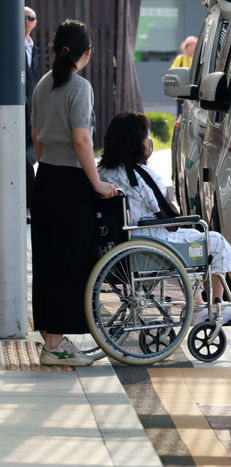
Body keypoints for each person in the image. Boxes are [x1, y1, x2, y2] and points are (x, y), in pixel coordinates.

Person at [31, 20, 118, 366]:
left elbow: (36, 137)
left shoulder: (41, 84)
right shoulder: (79, 87)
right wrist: (96, 182)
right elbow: (82, 139)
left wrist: (48, 163)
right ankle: (56, 345)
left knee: (47, 260)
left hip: (46, 179)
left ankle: (51, 339)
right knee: (70, 261)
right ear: (85, 53)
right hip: (70, 183)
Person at [98, 111, 231, 325]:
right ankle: (214, 305)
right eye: (146, 138)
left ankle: (199, 303)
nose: (149, 143)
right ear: (136, 143)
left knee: (193, 242)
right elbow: (172, 222)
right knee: (215, 241)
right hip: (153, 245)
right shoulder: (142, 176)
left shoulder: (103, 173)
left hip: (121, 245)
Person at [24, 6, 40, 223]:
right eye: (23, 18)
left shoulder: (33, 47)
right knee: (25, 160)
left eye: (30, 18)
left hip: (32, 111)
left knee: (29, 156)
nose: (26, 21)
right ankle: (29, 205)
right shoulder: (10, 44)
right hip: (16, 110)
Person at [170, 35, 197, 115]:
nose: (193, 49)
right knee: (181, 116)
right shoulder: (180, 59)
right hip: (182, 94)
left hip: (195, 94)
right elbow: (173, 73)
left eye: (195, 46)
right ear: (185, 47)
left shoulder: (199, 59)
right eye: (190, 46)